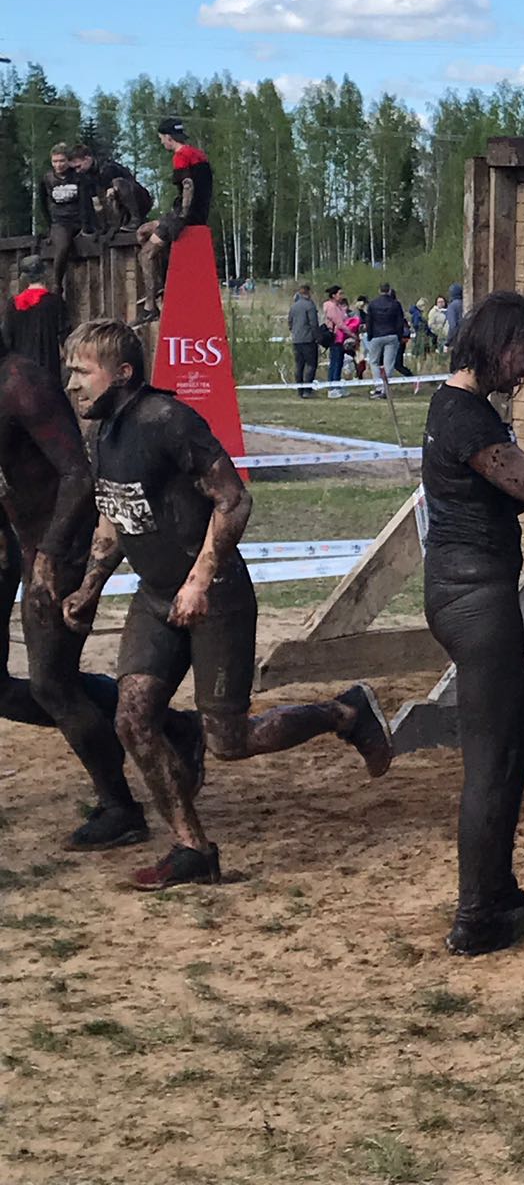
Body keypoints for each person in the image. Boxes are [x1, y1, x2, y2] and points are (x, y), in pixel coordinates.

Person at [61, 319, 393, 890]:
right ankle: (193, 849)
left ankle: (344, 713)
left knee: (230, 740)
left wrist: (199, 580)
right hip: (156, 598)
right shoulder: (103, 434)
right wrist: (90, 588)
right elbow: (116, 517)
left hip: (217, 595)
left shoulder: (169, 421)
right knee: (133, 719)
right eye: (70, 372)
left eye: (82, 372)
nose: (72, 384)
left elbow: (234, 500)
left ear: (123, 373)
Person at [422, 291, 524, 956]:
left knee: (521, 731)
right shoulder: (466, 417)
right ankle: (476, 916)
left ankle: (497, 890)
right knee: (491, 758)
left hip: (471, 593)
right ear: (497, 343)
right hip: (474, 600)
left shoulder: (465, 408)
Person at [0, 330, 202, 848]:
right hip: (23, 546)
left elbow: (78, 475)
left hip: (61, 546)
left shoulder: (21, 383)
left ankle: (120, 806)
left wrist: (49, 555)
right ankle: (175, 728)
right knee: (22, 689)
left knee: (51, 684)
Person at [136, 119, 214, 324]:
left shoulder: (181, 156)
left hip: (186, 215)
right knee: (143, 231)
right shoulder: (198, 154)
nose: (162, 142)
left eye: (162, 139)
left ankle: (150, 307)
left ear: (168, 137)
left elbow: (187, 185)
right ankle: (160, 281)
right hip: (193, 212)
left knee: (145, 254)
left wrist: (182, 216)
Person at [1, 255, 68, 379]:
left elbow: (6, 339)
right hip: (48, 370)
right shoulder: (55, 302)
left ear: (24, 278)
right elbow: (65, 336)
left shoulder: (13, 304)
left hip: (20, 373)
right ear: (44, 275)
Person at [38, 142, 91, 296]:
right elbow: (42, 203)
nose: (58, 165)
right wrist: (50, 225)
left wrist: (86, 226)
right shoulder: (47, 179)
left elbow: (85, 202)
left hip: (77, 218)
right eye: (55, 161)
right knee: (63, 246)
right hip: (60, 221)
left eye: (62, 161)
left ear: (68, 161)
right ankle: (57, 285)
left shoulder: (78, 177)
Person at [71, 142, 152, 236]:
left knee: (118, 183)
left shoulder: (109, 166)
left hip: (138, 200)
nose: (77, 171)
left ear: (87, 159)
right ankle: (105, 226)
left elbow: (127, 187)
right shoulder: (87, 177)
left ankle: (135, 219)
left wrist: (111, 188)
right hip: (116, 210)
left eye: (79, 166)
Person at [366, 282, 407, 399]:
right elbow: (400, 322)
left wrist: (370, 336)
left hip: (376, 335)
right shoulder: (395, 304)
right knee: (389, 363)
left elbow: (369, 321)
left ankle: (378, 387)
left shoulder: (372, 304)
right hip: (392, 335)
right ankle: (385, 388)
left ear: (379, 291)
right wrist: (399, 336)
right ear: (389, 291)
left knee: (374, 361)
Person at [288, 283, 319, 399]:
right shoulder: (310, 305)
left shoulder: (294, 306)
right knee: (311, 364)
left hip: (296, 339)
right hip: (308, 339)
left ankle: (300, 389)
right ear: (308, 292)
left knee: (299, 365)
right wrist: (317, 337)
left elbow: (290, 322)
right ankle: (307, 389)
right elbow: (313, 323)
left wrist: (294, 332)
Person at [323, 286, 350, 399]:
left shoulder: (338, 307)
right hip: (335, 338)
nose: (342, 296)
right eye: (340, 293)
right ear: (334, 295)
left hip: (341, 338)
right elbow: (339, 323)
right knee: (335, 362)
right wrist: (351, 333)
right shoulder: (331, 307)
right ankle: (332, 387)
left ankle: (337, 384)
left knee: (339, 362)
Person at [408, 298, 432, 371]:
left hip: (421, 336)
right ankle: (419, 369)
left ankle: (420, 369)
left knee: (421, 355)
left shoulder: (417, 313)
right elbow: (416, 324)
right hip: (420, 336)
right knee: (420, 355)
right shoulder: (417, 314)